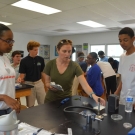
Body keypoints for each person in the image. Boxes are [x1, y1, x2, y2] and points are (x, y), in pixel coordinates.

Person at [44, 39, 105, 105]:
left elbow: (84, 84)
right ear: (58, 50)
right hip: (50, 101)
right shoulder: (50, 64)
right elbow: (47, 82)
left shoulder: (74, 65)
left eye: (69, 51)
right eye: (64, 51)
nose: (67, 54)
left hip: (66, 100)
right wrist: (49, 86)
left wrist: (93, 96)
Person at [18, 41, 46, 107]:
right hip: (29, 84)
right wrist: (20, 79)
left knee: (43, 102)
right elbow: (22, 74)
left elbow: (43, 72)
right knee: (30, 105)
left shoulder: (41, 59)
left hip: (39, 83)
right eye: (35, 50)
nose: (37, 52)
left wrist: (45, 84)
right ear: (29, 50)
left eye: (37, 50)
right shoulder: (24, 61)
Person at [0, 23, 20, 115]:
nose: (11, 44)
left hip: (9, 110)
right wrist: (3, 97)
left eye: (12, 41)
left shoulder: (6, 59)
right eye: (8, 41)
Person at [114, 27, 135, 109]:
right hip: (123, 98)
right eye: (120, 40)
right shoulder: (122, 57)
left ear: (133, 39)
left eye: (125, 40)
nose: (122, 43)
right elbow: (123, 79)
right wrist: (116, 92)